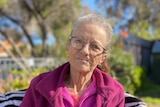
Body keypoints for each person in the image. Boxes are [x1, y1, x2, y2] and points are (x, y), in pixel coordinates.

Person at [20, 14, 125, 107]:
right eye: (78, 41)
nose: (85, 51)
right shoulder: (39, 86)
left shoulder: (114, 93)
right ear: (68, 46)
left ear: (102, 58)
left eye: (95, 46)